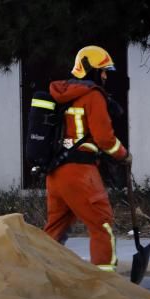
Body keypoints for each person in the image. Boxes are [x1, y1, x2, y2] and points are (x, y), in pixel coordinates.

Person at [43, 45, 132, 273]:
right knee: (102, 224)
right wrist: (123, 154)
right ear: (90, 69)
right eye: (102, 71)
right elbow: (105, 139)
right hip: (80, 172)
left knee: (54, 230)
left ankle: (39, 277)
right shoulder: (93, 96)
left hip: (55, 173)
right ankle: (105, 286)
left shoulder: (60, 92)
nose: (104, 76)